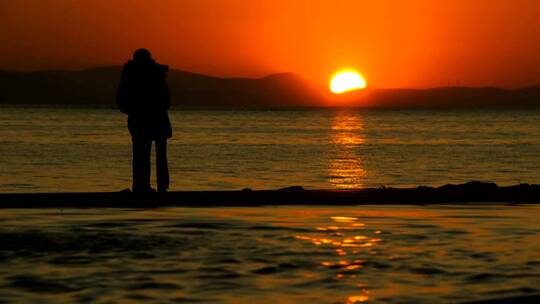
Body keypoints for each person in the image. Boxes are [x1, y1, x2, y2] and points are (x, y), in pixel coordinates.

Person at [116, 48, 172, 193]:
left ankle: (143, 187)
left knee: (142, 156)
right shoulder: (154, 74)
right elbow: (166, 100)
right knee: (156, 156)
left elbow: (121, 97)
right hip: (153, 119)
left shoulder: (130, 75)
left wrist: (132, 109)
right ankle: (158, 188)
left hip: (142, 120)